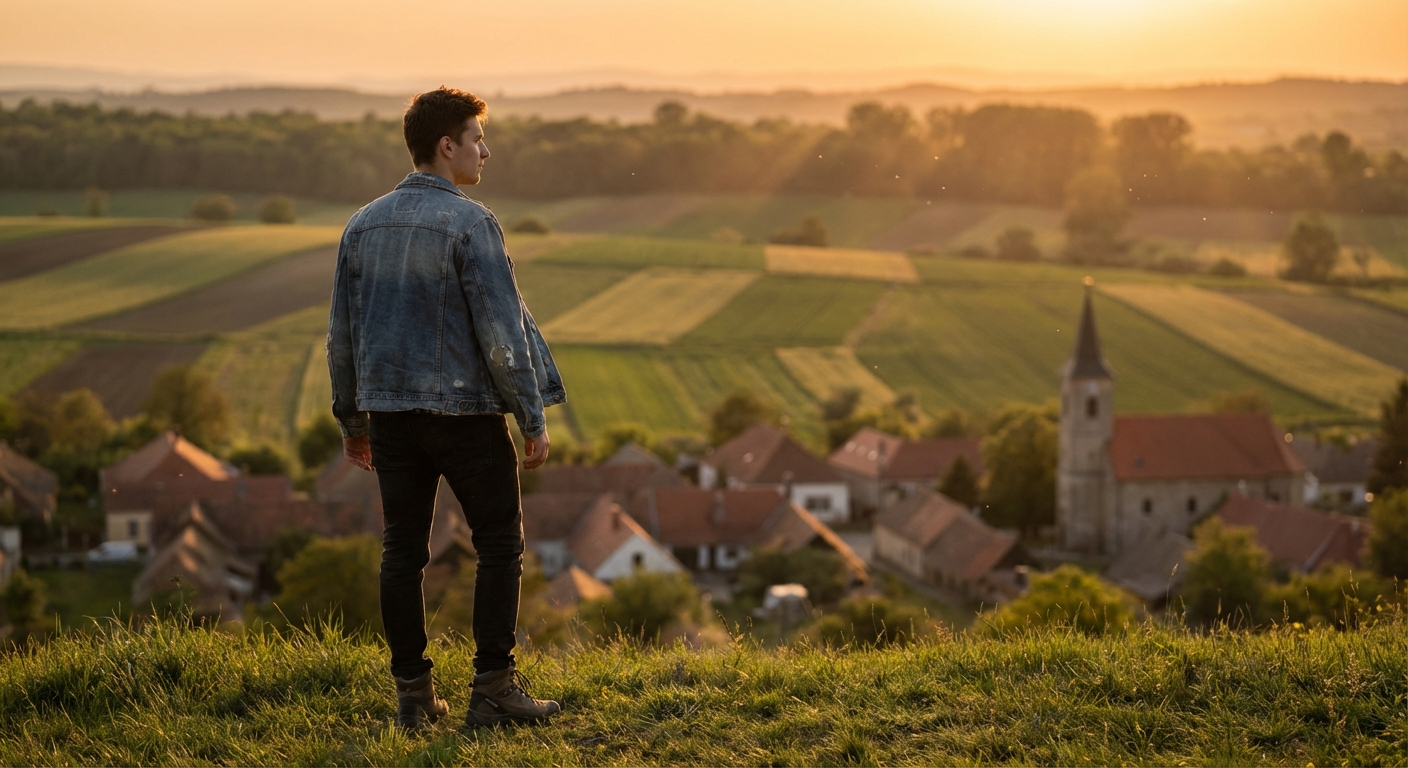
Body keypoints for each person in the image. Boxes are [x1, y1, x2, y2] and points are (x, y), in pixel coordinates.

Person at [327, 87, 566, 729]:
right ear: (446, 146)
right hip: (466, 416)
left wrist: (353, 422)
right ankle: (492, 690)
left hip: (392, 419)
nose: (485, 151)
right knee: (499, 544)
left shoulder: (361, 223)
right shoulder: (471, 222)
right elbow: (500, 330)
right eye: (477, 138)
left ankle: (412, 697)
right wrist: (531, 416)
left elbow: (341, 334)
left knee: (402, 551)